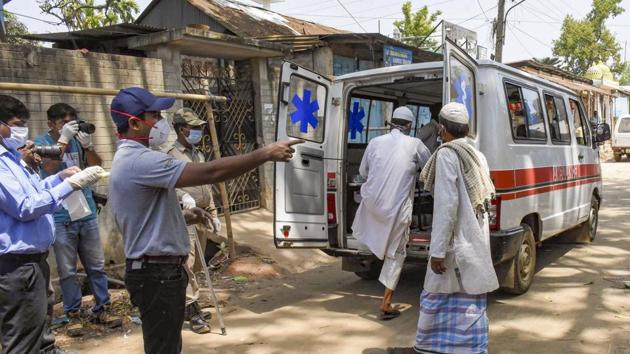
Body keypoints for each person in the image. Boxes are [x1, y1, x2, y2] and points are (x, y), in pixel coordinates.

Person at [108, 87, 301, 354]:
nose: (161, 122)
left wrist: (185, 216)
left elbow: (144, 215)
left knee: (166, 345)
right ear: (134, 122)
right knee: (163, 347)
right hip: (156, 273)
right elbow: (211, 172)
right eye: (155, 116)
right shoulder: (140, 160)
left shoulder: (131, 158)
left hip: (157, 270)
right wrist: (264, 154)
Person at [0, 95, 105, 354]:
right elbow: (25, 207)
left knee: (39, 327)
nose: (21, 130)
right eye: (15, 124)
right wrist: (69, 186)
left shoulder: (11, 157)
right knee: (23, 338)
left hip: (33, 261)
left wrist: (59, 178)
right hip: (16, 265)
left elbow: (35, 190)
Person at [391, 102, 499, 354]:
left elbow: (446, 205)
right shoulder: (476, 153)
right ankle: (468, 347)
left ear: (442, 128)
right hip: (473, 236)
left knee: (437, 292)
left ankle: (430, 347)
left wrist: (437, 250)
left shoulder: (448, 155)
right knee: (467, 295)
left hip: (455, 241)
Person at [34, 103, 119, 336]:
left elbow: (97, 166)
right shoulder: (41, 143)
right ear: (51, 123)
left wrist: (88, 147)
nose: (70, 124)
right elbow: (49, 169)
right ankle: (73, 313)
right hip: (60, 215)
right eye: (63, 121)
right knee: (68, 270)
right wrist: (63, 139)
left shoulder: (78, 140)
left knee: (96, 265)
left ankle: (102, 307)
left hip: (86, 210)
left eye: (73, 119)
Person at [352, 106, 431, 321]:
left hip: (372, 205)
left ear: (391, 123)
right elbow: (429, 169)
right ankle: (386, 303)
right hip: (396, 209)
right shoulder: (415, 144)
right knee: (396, 254)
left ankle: (371, 256)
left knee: (375, 235)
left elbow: (362, 173)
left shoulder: (375, 142)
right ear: (409, 125)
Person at [167, 107, 221, 334]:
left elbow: (205, 184)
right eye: (194, 127)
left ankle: (185, 307)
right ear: (182, 130)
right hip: (185, 216)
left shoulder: (197, 153)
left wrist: (213, 212)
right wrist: (182, 196)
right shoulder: (171, 155)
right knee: (187, 264)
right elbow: (167, 184)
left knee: (199, 263)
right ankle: (192, 309)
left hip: (203, 214)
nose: (199, 130)